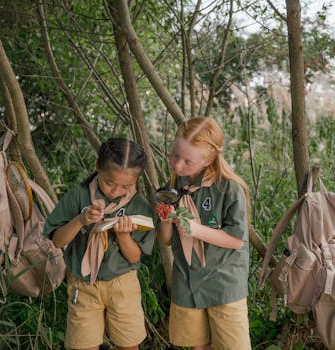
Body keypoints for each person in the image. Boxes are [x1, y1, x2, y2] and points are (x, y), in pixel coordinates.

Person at [43, 138, 155, 350]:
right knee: (82, 344)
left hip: (123, 284)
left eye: (126, 186)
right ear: (98, 167)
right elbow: (58, 240)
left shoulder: (138, 205)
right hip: (84, 285)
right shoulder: (79, 195)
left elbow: (134, 257)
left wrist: (123, 236)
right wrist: (81, 220)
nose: (116, 191)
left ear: (136, 180)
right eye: (109, 183)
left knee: (128, 344)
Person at [157, 117, 252, 350]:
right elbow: (167, 240)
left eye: (188, 161)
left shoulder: (228, 188)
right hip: (188, 281)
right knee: (198, 345)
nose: (178, 165)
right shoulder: (175, 185)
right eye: (175, 155)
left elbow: (237, 241)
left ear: (208, 159)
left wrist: (196, 230)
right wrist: (166, 220)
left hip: (223, 283)